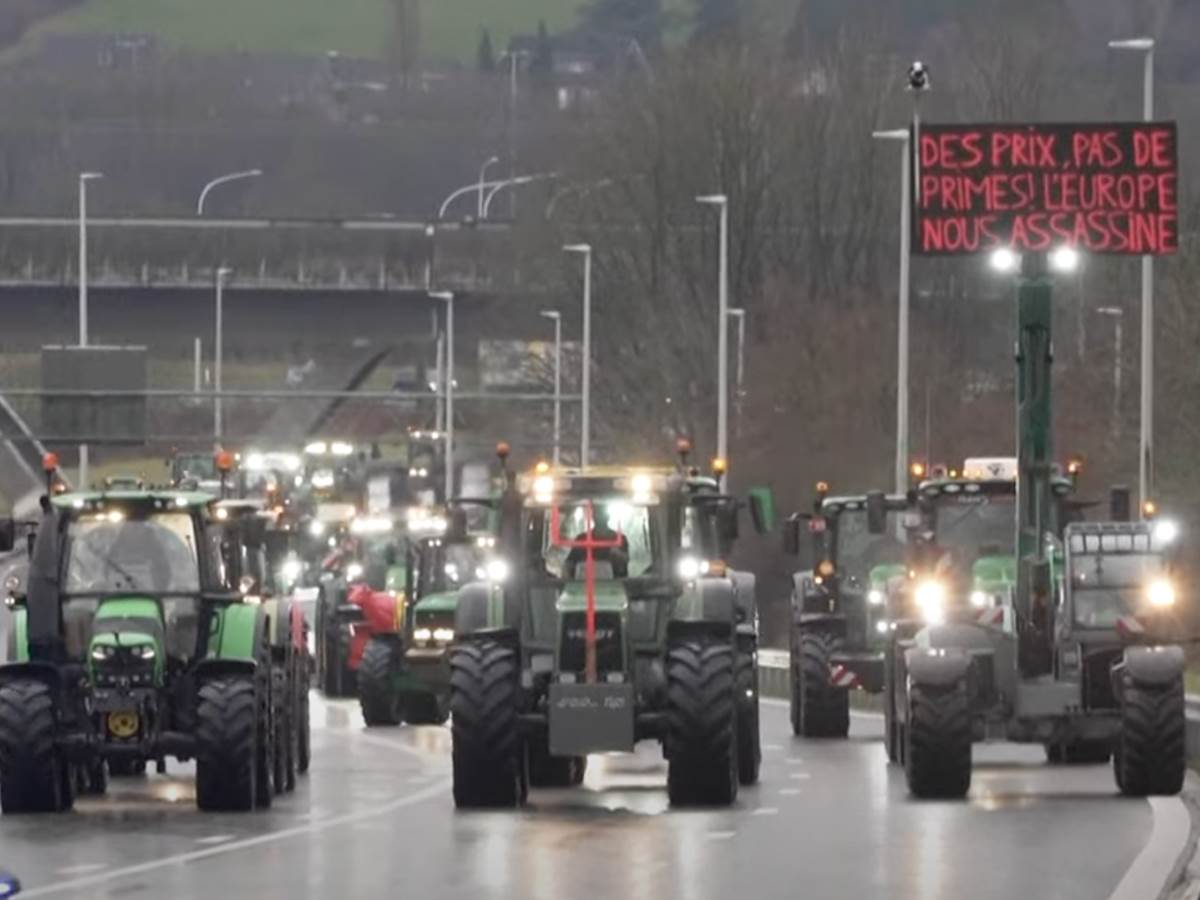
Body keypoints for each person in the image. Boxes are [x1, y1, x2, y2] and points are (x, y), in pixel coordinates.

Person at [564, 506, 629, 579]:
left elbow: (626, 559)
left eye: (602, 515)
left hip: (615, 584)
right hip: (583, 584)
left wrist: (617, 553)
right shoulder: (582, 539)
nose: (599, 518)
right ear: (593, 517)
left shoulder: (619, 539)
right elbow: (569, 563)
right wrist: (566, 578)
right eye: (597, 515)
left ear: (608, 517)